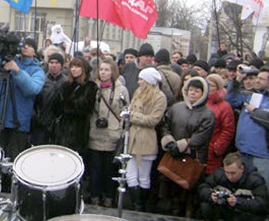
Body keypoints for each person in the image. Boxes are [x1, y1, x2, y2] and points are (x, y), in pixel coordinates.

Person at [160, 76, 215, 217]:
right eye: (190, 90)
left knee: (188, 192)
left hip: (192, 157)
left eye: (197, 91)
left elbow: (202, 136)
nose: (192, 93)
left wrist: (182, 145)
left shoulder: (207, 114)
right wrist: (169, 141)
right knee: (171, 190)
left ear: (203, 94)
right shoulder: (176, 108)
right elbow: (165, 125)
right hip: (173, 155)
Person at [0, 36, 44, 160]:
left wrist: (17, 70)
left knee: (14, 159)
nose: (26, 47)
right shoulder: (5, 62)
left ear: (35, 52)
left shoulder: (37, 70)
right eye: (24, 44)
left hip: (18, 122)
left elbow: (32, 89)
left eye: (30, 45)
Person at [88, 58, 129, 208]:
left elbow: (125, 112)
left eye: (107, 70)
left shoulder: (121, 89)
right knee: (95, 169)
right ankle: (94, 196)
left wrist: (121, 130)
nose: (104, 73)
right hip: (95, 134)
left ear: (113, 72)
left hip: (112, 135)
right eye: (101, 69)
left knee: (109, 170)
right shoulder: (94, 87)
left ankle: (109, 197)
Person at [126, 67, 167, 211]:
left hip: (146, 139)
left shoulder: (160, 97)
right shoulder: (138, 93)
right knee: (130, 175)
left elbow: (153, 120)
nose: (138, 82)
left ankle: (141, 207)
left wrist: (132, 116)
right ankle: (135, 205)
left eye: (141, 79)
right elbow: (130, 109)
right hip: (132, 139)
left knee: (143, 176)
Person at [198, 152, 268, 221]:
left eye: (233, 173)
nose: (230, 176)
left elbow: (262, 204)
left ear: (242, 168)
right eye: (227, 172)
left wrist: (238, 202)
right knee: (206, 206)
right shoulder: (219, 174)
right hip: (225, 210)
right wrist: (210, 196)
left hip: (245, 213)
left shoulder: (255, 180)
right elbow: (203, 186)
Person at [31, 52, 68, 145]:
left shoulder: (66, 82)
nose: (54, 65)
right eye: (51, 62)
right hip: (42, 122)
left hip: (60, 125)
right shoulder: (42, 80)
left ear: (62, 65)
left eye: (57, 63)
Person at [205, 74, 235, 174]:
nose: (209, 88)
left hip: (212, 151)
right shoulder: (201, 101)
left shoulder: (225, 106)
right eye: (207, 84)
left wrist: (216, 148)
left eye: (212, 85)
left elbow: (228, 130)